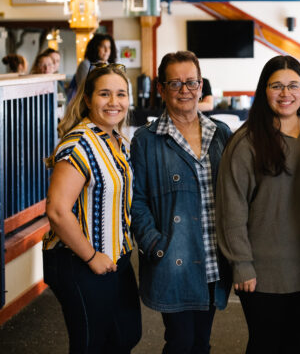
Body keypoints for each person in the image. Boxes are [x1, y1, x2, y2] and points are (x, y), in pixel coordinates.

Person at [216, 55, 300, 353]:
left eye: (294, 85)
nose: (285, 93)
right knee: (265, 345)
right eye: (276, 85)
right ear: (263, 91)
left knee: (294, 344)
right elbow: (231, 209)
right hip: (261, 272)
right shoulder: (246, 141)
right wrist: (241, 264)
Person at [130, 51, 232, 354]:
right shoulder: (146, 140)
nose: (184, 90)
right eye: (175, 83)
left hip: (214, 259)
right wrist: (156, 245)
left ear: (201, 86)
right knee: (179, 342)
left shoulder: (221, 134)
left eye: (191, 82)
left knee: (201, 342)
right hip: (173, 258)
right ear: (161, 89)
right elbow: (136, 201)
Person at [43, 63, 142, 353]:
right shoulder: (79, 144)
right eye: (105, 94)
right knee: (91, 345)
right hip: (80, 260)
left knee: (125, 336)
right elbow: (57, 210)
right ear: (88, 99)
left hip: (116, 257)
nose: (114, 102)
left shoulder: (116, 140)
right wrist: (91, 256)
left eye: (121, 94)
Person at [68, 33, 117, 101]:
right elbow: (84, 89)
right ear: (95, 48)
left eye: (109, 47)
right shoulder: (86, 64)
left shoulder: (111, 66)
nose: (106, 50)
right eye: (103, 46)